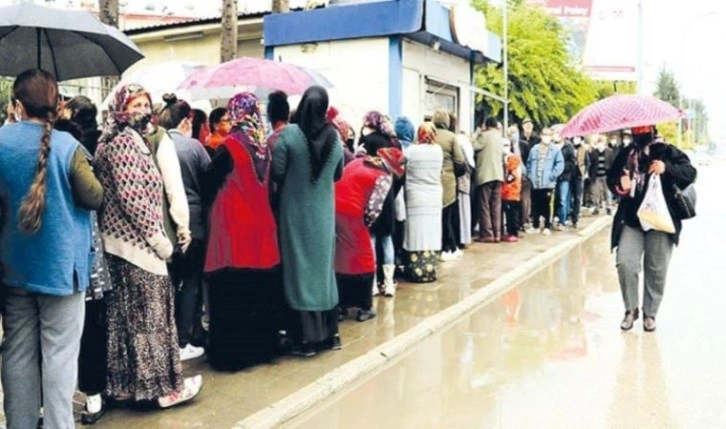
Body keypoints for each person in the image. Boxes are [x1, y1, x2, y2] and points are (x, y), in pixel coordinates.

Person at [0, 69, 102, 429]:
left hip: (13, 270)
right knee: (60, 358)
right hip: (61, 271)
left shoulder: (0, 142)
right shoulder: (67, 147)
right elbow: (94, 196)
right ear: (57, 105)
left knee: (17, 352)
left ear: (16, 105)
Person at [94, 84, 202, 408]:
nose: (141, 109)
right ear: (121, 108)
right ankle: (164, 389)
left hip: (121, 247)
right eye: (134, 104)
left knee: (127, 322)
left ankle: (128, 385)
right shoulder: (125, 141)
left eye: (145, 103)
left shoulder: (119, 139)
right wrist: (160, 242)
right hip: (136, 247)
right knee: (152, 320)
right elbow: (134, 201)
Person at [203, 92, 282, 370]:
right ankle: (260, 349)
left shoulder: (230, 146)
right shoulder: (264, 147)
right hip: (262, 226)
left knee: (231, 293)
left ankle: (231, 356)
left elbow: (209, 182)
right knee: (257, 291)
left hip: (233, 225)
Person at [271, 86, 344, 357]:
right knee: (324, 271)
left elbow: (277, 172)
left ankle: (304, 339)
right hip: (324, 215)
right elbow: (338, 174)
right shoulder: (335, 138)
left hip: (295, 213)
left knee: (297, 268)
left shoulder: (289, 134)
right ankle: (330, 335)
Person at [54, 95, 114, 425]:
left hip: (56, 259)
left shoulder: (59, 146)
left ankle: (63, 402)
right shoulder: (85, 150)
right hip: (87, 256)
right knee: (90, 326)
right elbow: (95, 198)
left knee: (58, 338)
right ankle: (93, 395)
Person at [607, 125, 696, 331]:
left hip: (660, 219)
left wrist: (667, 169)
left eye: (644, 127)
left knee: (656, 268)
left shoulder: (666, 150)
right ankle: (631, 310)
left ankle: (650, 313)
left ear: (652, 127)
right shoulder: (626, 153)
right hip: (632, 219)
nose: (640, 130)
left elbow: (690, 173)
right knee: (625, 263)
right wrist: (620, 185)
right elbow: (612, 178)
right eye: (636, 128)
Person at [157, 94, 212, 362]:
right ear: (186, 122)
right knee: (190, 282)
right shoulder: (193, 147)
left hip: (163, 224)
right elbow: (209, 180)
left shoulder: (153, 143)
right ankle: (183, 340)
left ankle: (167, 339)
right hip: (194, 221)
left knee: (169, 282)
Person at [335, 148, 404, 321]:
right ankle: (364, 306)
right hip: (352, 211)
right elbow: (374, 209)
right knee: (364, 257)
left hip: (333, 205)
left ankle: (341, 305)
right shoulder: (383, 177)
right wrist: (366, 224)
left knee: (341, 255)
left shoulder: (359, 161)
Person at [359, 111, 401, 296]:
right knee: (387, 239)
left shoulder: (368, 143)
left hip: (372, 196)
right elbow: (400, 174)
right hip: (388, 195)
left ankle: (373, 284)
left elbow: (360, 168)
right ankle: (390, 283)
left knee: (372, 239)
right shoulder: (392, 143)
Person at [403, 123, 444, 282]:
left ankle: (415, 269)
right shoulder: (438, 150)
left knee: (416, 232)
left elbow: (398, 162)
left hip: (415, 196)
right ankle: (430, 269)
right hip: (434, 197)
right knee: (432, 231)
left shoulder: (412, 150)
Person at [432, 109, 467, 260]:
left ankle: (438, 247)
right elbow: (460, 161)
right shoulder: (452, 137)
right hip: (448, 181)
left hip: (432, 179)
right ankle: (448, 247)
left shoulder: (429, 133)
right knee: (448, 215)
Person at [526, 127, 564, 235]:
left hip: (548, 183)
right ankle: (536, 225)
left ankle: (547, 225)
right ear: (541, 136)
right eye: (544, 135)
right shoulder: (534, 149)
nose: (546, 137)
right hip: (535, 183)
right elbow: (528, 163)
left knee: (547, 205)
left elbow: (560, 164)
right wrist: (530, 176)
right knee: (535, 204)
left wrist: (552, 176)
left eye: (548, 135)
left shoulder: (555, 150)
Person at [472, 117, 504, 243]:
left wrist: (477, 133)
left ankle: (487, 233)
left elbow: (473, 147)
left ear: (486, 124)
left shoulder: (483, 136)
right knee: (496, 205)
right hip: (498, 175)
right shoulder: (499, 137)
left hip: (486, 175)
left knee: (484, 205)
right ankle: (497, 233)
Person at [451, 113, 474, 249]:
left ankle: (460, 238)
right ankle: (463, 237)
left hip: (459, 180)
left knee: (459, 211)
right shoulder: (463, 139)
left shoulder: (458, 140)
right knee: (464, 210)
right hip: (465, 180)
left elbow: (460, 162)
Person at [519, 119, 539, 230]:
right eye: (526, 125)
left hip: (533, 170)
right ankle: (524, 218)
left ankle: (531, 216)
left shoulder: (536, 139)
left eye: (530, 125)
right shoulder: (519, 139)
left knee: (532, 196)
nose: (528, 127)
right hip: (522, 172)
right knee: (524, 197)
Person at [555, 136, 577, 230]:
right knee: (554, 199)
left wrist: (562, 167)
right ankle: (554, 218)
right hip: (554, 177)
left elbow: (572, 162)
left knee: (563, 200)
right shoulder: (553, 147)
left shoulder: (569, 147)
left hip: (565, 177)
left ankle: (562, 221)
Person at [589, 135, 614, 215]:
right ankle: (596, 207)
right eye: (599, 142)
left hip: (606, 175)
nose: (600, 144)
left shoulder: (609, 152)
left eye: (602, 142)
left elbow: (611, 163)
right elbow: (591, 164)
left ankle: (609, 207)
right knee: (596, 193)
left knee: (608, 192)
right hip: (596, 175)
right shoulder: (594, 152)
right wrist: (590, 174)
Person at [501, 150, 523, 243]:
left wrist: (502, 192)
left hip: (510, 197)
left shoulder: (511, 173)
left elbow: (508, 186)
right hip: (515, 196)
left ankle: (513, 233)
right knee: (513, 215)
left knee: (511, 217)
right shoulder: (516, 171)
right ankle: (512, 233)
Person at [571, 136, 588, 229]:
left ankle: (575, 218)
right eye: (575, 137)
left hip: (578, 175)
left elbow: (587, 162)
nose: (576, 139)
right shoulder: (569, 147)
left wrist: (585, 173)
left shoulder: (584, 149)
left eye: (578, 138)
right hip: (569, 175)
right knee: (568, 197)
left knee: (577, 197)